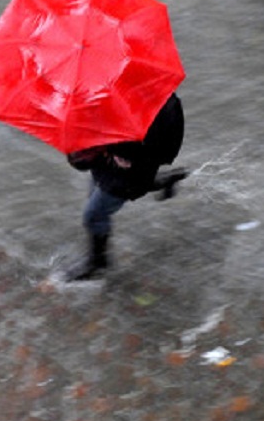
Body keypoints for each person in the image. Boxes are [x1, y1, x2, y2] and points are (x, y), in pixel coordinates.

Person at [63, 92, 188, 281]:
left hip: (128, 172)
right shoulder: (113, 94)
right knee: (99, 193)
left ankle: (97, 263)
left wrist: (122, 153)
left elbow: (154, 149)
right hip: (109, 164)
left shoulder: (156, 108)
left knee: (94, 215)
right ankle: (165, 180)